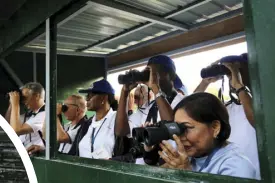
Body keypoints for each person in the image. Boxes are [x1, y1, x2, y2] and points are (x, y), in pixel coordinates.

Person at [152, 92, 256, 179]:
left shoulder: (237, 166)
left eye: (186, 128)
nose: (180, 137)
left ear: (215, 127)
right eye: (178, 128)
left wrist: (187, 175)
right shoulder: (192, 156)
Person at [194, 54, 260, 179]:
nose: (232, 77)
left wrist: (240, 86)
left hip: (256, 176)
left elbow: (260, 124)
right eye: (229, 74)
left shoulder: (262, 105)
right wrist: (204, 82)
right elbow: (190, 109)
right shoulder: (227, 108)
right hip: (230, 174)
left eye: (237, 72)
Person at [115, 55, 184, 164]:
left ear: (170, 75)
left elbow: (171, 127)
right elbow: (121, 131)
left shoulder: (183, 103)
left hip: (171, 166)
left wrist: (156, 89)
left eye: (154, 74)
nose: (150, 78)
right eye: (148, 74)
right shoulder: (149, 106)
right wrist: (125, 92)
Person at [70, 79, 118, 159]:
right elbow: (73, 153)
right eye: (86, 96)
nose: (86, 99)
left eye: (90, 95)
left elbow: (129, 155)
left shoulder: (116, 119)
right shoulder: (87, 123)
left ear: (103, 98)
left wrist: (112, 162)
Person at [5, 82, 45, 149]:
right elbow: (7, 125)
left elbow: (15, 131)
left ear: (37, 96)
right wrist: (11, 104)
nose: (23, 101)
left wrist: (15, 104)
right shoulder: (30, 114)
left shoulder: (44, 114)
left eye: (25, 97)